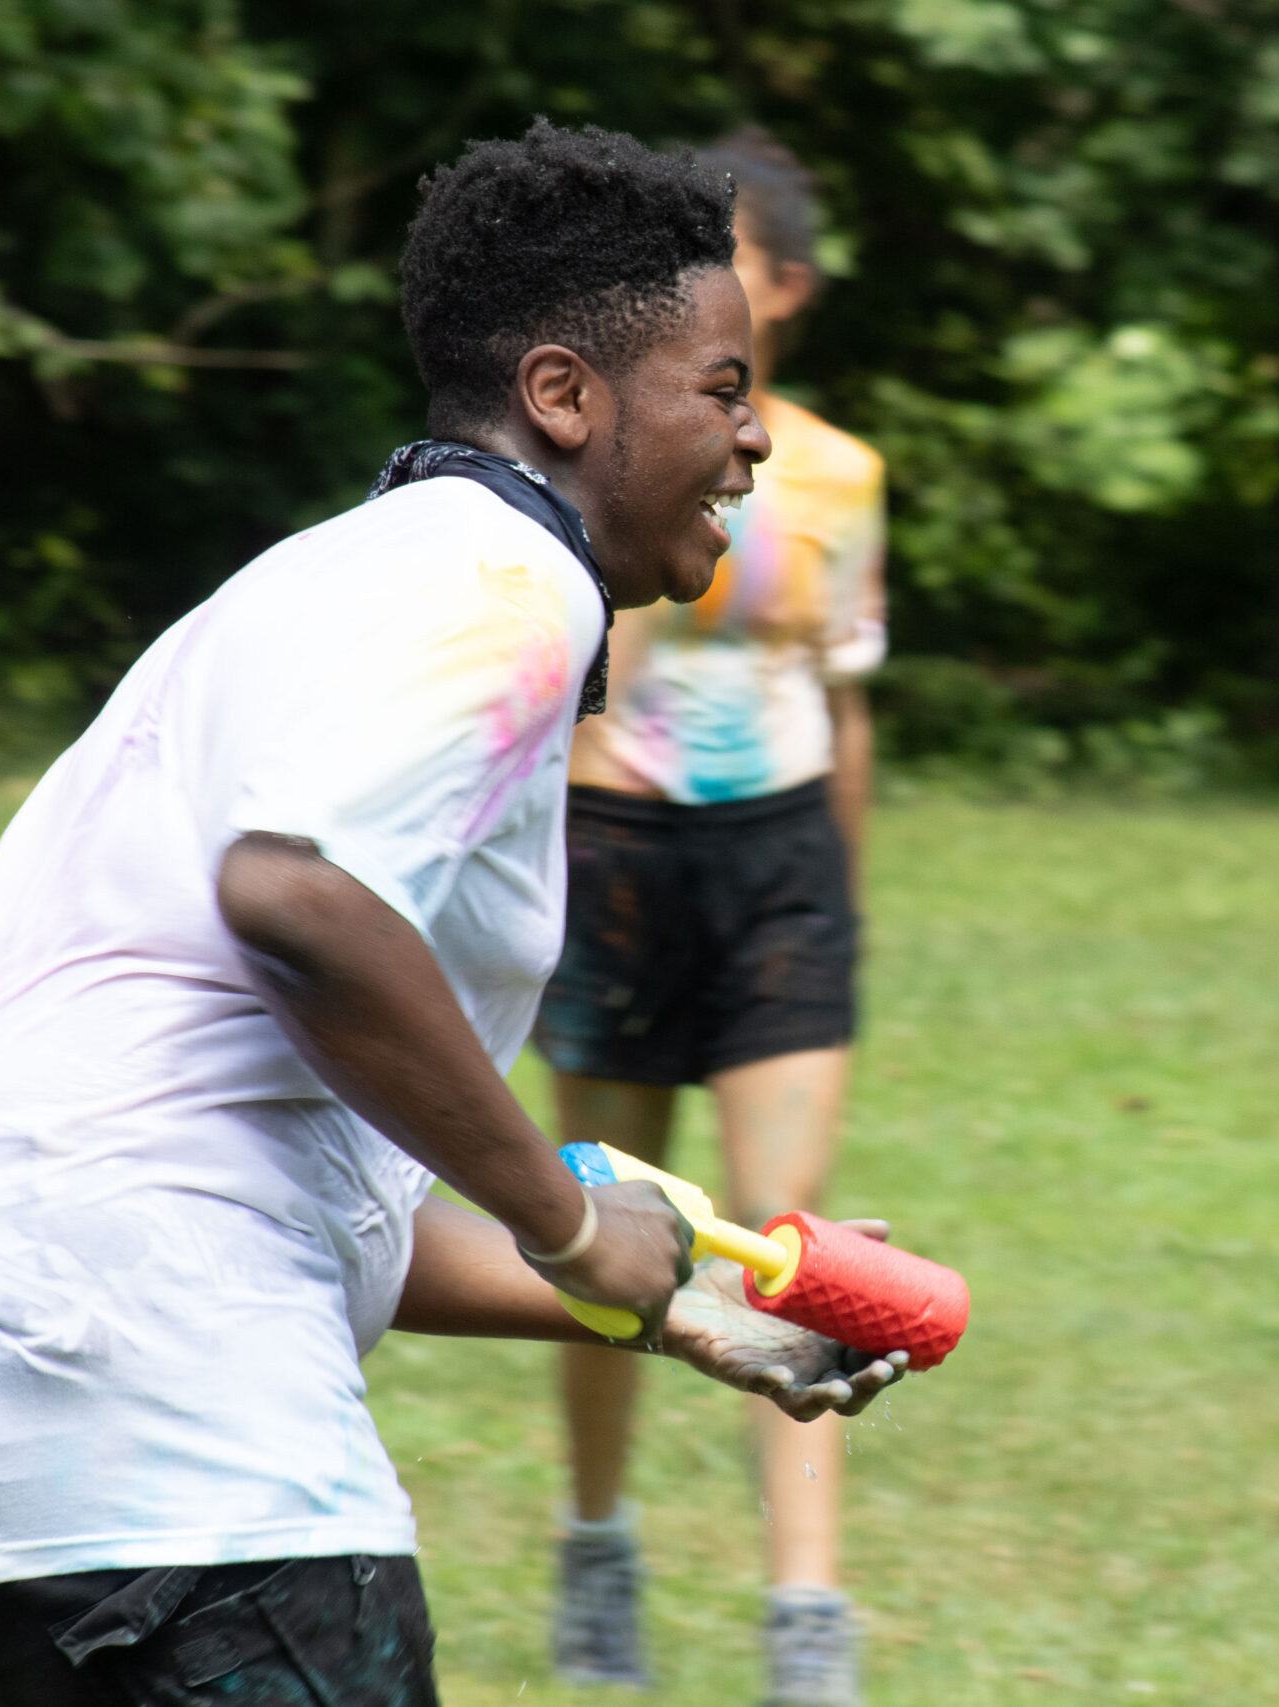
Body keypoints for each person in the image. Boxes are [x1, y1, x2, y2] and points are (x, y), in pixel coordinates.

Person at [0, 120, 905, 1707]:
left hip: (25, 1358)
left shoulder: (350, 577)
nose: (755, 446)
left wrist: (680, 1302)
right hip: (165, 1402)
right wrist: (573, 1217)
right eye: (721, 393)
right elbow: (298, 900)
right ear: (564, 395)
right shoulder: (506, 591)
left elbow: (287, 1181)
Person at [531, 127, 888, 1703]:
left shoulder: (846, 478)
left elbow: (848, 701)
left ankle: (805, 1614)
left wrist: (841, 897)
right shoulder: (596, 446)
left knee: (787, 1245)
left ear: (791, 289)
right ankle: (596, 1543)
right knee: (595, 1228)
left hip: (781, 868)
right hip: (611, 851)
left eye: (721, 250)